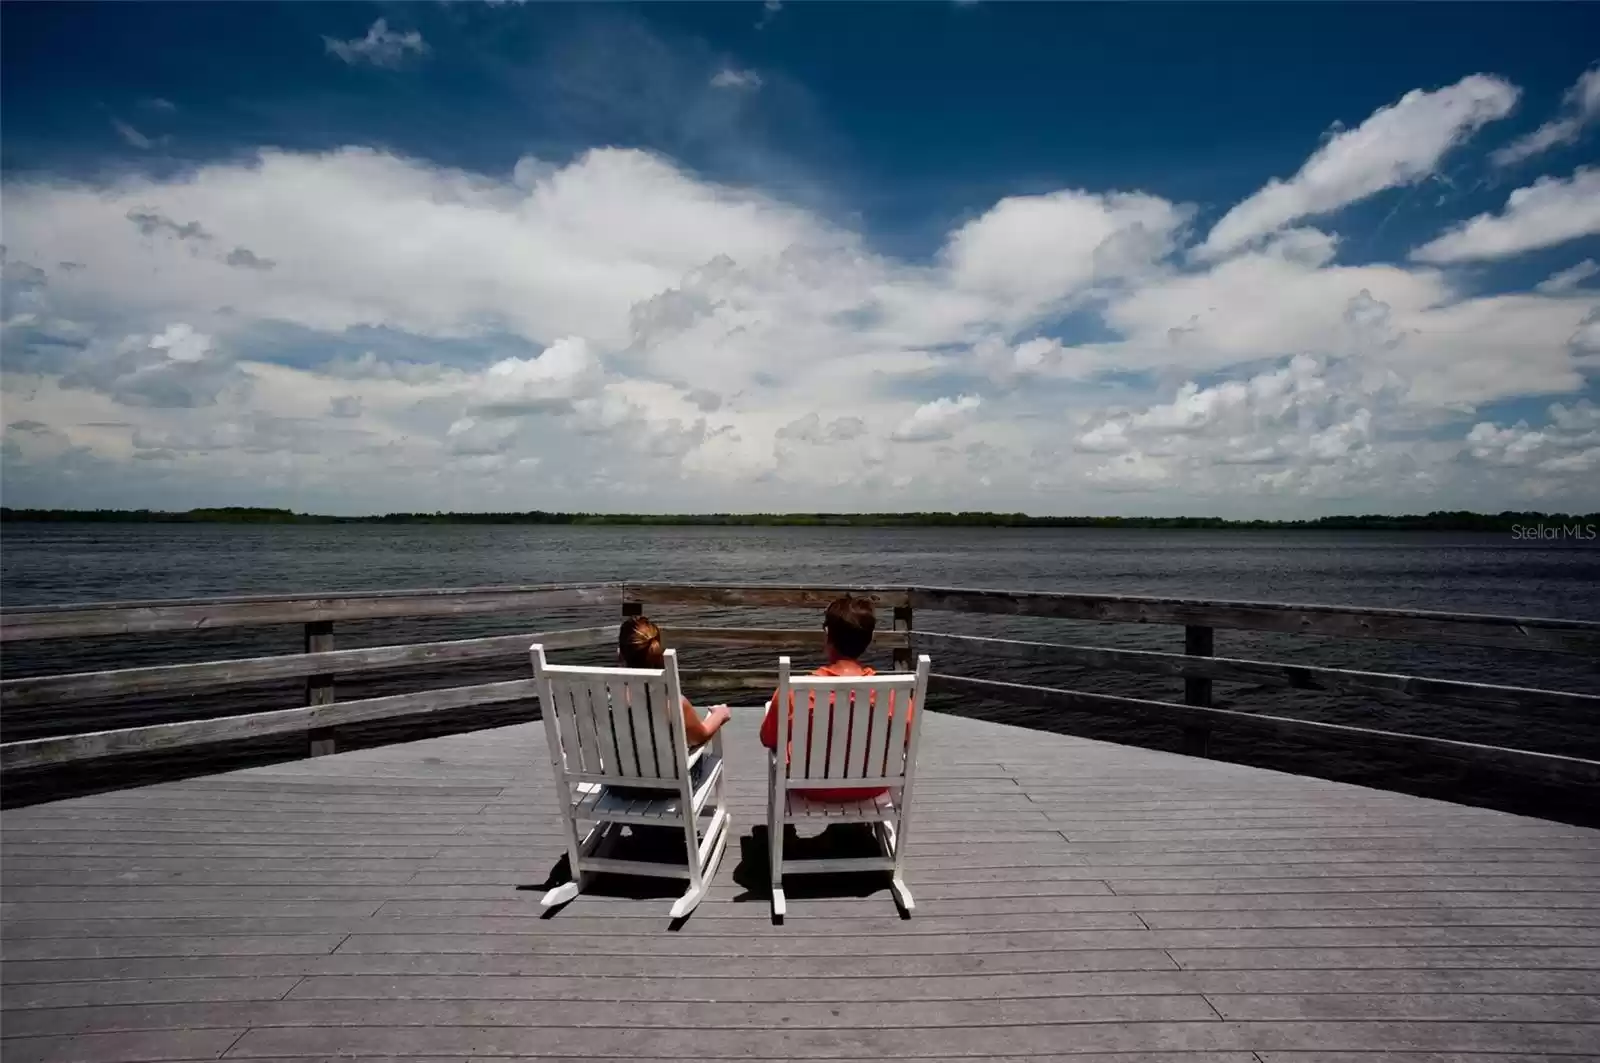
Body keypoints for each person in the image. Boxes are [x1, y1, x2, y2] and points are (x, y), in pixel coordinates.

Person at [760, 594, 902, 802]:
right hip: (872, 785)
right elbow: (907, 735)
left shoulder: (795, 691)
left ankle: (786, 831)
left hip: (810, 786)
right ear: (869, 640)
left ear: (827, 635)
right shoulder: (892, 693)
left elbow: (768, 738)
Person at [610, 615, 729, 798]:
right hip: (668, 787)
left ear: (620, 654)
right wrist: (719, 715)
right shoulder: (672, 703)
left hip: (620, 785)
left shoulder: (605, 699)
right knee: (694, 758)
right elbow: (700, 736)